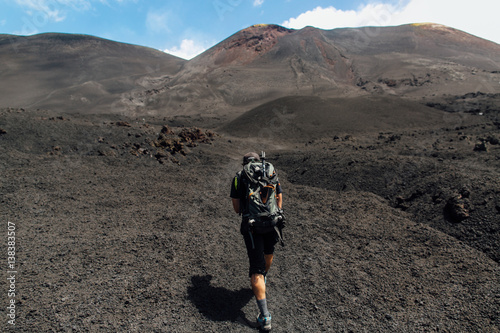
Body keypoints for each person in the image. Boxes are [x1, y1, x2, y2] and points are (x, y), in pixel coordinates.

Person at [230, 152, 283, 331]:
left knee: (256, 269)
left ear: (244, 163)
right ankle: (264, 278)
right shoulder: (270, 170)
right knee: (269, 253)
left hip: (253, 226)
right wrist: (276, 213)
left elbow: (237, 207)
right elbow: (278, 195)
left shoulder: (239, 177)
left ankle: (265, 318)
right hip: (273, 221)